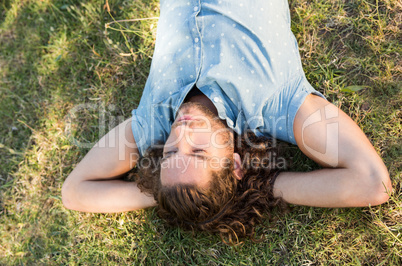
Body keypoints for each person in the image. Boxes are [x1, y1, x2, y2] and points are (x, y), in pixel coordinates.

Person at [62, 0, 392, 242]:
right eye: (198, 154)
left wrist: (160, 193)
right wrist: (267, 186)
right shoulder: (278, 104)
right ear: (236, 165)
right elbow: (373, 184)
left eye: (172, 154)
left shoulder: (154, 123)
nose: (183, 135)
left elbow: (74, 192)